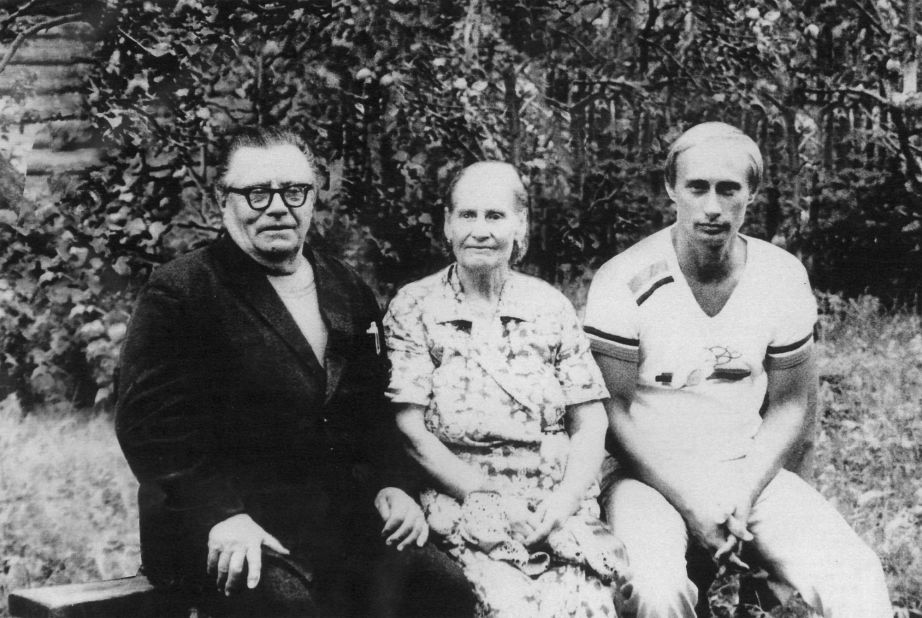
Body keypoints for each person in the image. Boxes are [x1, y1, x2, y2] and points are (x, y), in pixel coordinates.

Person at [115, 127, 429, 617]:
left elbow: (372, 411)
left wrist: (393, 485)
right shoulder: (182, 291)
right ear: (224, 201)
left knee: (442, 589)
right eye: (257, 193)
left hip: (333, 520)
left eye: (294, 191)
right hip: (221, 526)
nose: (277, 207)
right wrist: (219, 516)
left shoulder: (347, 288)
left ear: (311, 199)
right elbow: (152, 430)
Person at [583, 122, 892, 617]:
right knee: (656, 592)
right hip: (644, 477)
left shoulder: (780, 275)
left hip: (744, 468)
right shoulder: (624, 278)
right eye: (696, 187)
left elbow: (792, 403)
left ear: (751, 194)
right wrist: (689, 503)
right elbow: (610, 415)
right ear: (671, 189)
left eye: (729, 189)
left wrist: (745, 492)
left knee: (854, 573)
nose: (712, 206)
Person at [384, 161, 628, 617]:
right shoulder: (415, 306)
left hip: (553, 507)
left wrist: (563, 502)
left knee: (586, 607)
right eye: (467, 215)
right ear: (447, 224)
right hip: (465, 507)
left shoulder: (549, 305)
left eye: (495, 216)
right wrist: (491, 500)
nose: (480, 230)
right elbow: (410, 432)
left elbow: (591, 421)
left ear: (520, 225)